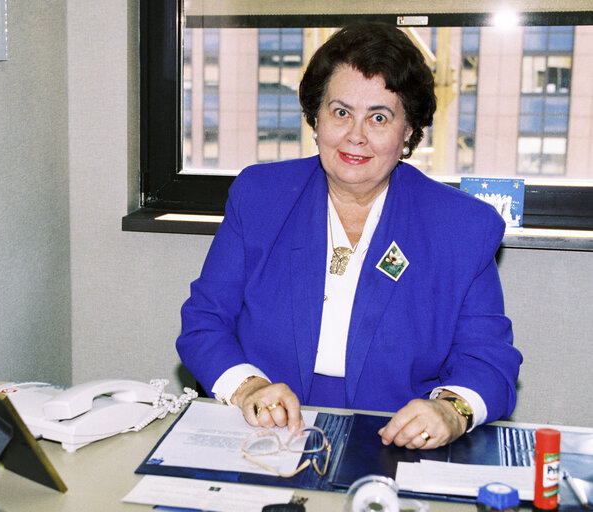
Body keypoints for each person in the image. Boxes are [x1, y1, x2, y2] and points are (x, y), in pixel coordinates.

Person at [176, 22, 522, 450]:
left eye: (379, 117)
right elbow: (205, 322)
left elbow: (488, 360)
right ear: (316, 119)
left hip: (396, 440)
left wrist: (452, 410)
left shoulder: (463, 226)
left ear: (408, 131)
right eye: (341, 112)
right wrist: (247, 388)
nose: (356, 135)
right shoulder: (261, 196)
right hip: (265, 433)